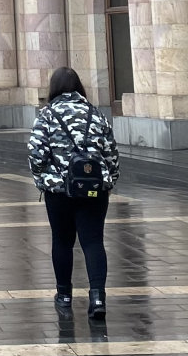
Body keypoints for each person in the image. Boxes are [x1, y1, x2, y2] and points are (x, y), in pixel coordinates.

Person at [28, 67, 120, 318]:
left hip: (59, 191)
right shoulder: (95, 114)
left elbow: (36, 154)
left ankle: (64, 296)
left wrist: (42, 180)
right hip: (94, 190)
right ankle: (98, 298)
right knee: (93, 241)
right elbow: (111, 153)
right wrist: (109, 181)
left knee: (62, 241)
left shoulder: (47, 115)